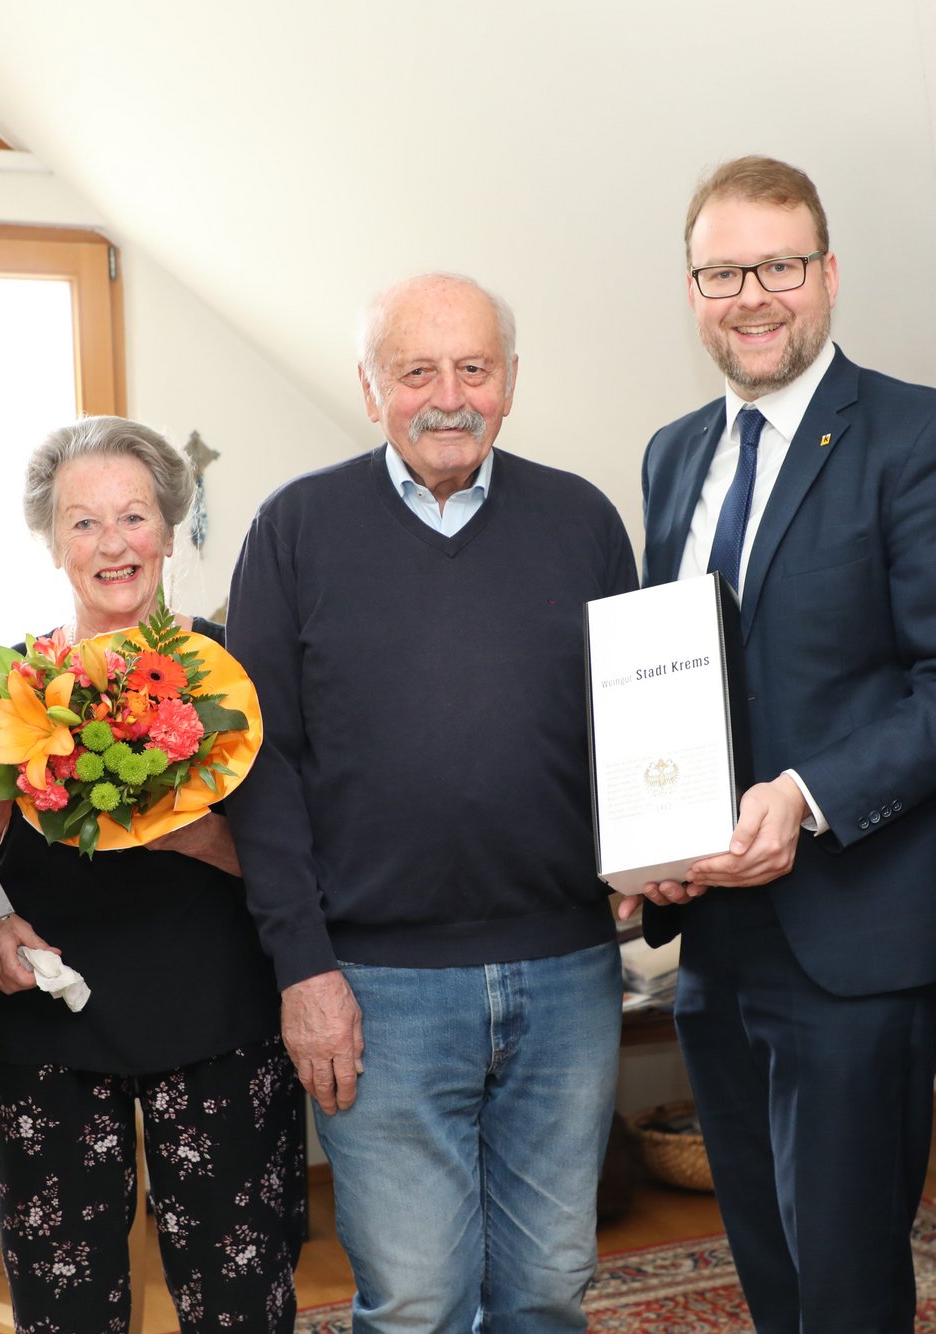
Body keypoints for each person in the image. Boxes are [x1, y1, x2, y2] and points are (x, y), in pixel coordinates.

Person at [630, 156, 936, 1333]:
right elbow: (672, 678)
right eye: (720, 271)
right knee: (766, 1256)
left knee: (846, 1277)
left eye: (778, 266)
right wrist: (644, 837)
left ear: (828, 274)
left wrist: (802, 795)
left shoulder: (929, 436)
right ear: (691, 287)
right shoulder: (671, 452)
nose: (751, 295)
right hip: (716, 933)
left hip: (855, 930)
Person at [222, 273, 637, 1331]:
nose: (446, 396)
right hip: (375, 986)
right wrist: (302, 965)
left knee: (549, 1285)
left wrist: (648, 853)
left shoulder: (582, 520)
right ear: (370, 388)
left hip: (566, 971)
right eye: (416, 371)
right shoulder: (294, 528)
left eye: (472, 368)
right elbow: (257, 769)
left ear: (508, 383)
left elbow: (631, 728)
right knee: (414, 1299)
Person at [0, 416, 305, 1332]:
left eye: (133, 517)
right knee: (63, 1305)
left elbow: (299, 862)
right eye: (83, 523)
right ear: (52, 542)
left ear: (169, 528)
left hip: (220, 1025)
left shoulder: (234, 671)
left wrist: (191, 838)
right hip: (52, 1036)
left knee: (239, 1299)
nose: (112, 544)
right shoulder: (10, 689)